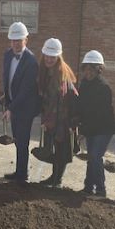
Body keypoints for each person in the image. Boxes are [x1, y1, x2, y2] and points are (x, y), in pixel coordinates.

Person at [2, 22, 40, 183]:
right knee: (17, 140)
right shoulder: (7, 55)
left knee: (22, 141)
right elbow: (8, 79)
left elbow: (25, 90)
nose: (16, 43)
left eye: (19, 40)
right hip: (13, 104)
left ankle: (23, 176)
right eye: (13, 40)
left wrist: (11, 108)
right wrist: (6, 97)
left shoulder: (31, 61)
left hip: (25, 108)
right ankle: (19, 171)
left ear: (26, 40)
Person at [75, 50, 115, 197]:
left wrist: (84, 131)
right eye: (86, 68)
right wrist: (80, 128)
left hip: (103, 128)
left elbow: (98, 114)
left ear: (99, 69)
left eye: (92, 69)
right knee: (92, 158)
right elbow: (81, 107)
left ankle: (100, 190)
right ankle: (88, 187)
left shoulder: (103, 87)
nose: (88, 72)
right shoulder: (84, 84)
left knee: (95, 157)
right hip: (91, 126)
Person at [38, 38, 78, 187]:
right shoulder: (46, 71)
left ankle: (57, 179)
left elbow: (59, 102)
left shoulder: (61, 76)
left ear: (58, 57)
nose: (49, 59)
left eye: (52, 57)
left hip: (62, 119)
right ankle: (54, 177)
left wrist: (48, 121)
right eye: (47, 56)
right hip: (52, 117)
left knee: (61, 150)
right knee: (55, 148)